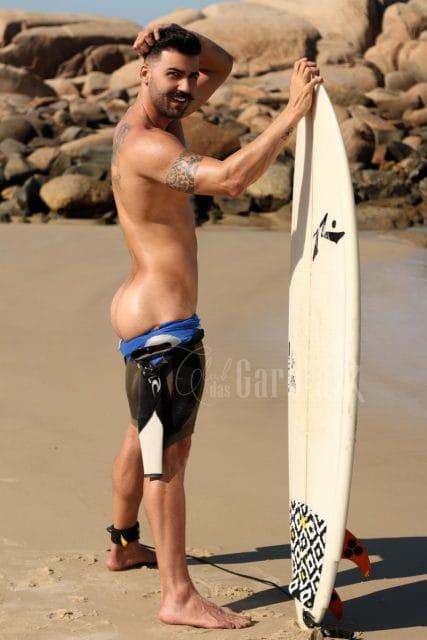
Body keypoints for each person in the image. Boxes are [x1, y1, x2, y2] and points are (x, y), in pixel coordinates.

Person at [106, 22, 322, 630]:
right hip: (163, 328)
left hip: (144, 315)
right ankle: (177, 595)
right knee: (168, 456)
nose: (186, 87)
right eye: (172, 75)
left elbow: (220, 66)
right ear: (143, 73)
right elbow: (228, 180)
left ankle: (123, 543)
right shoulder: (146, 144)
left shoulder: (158, 114)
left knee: (142, 433)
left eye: (189, 76)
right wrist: (292, 113)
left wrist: (187, 37)